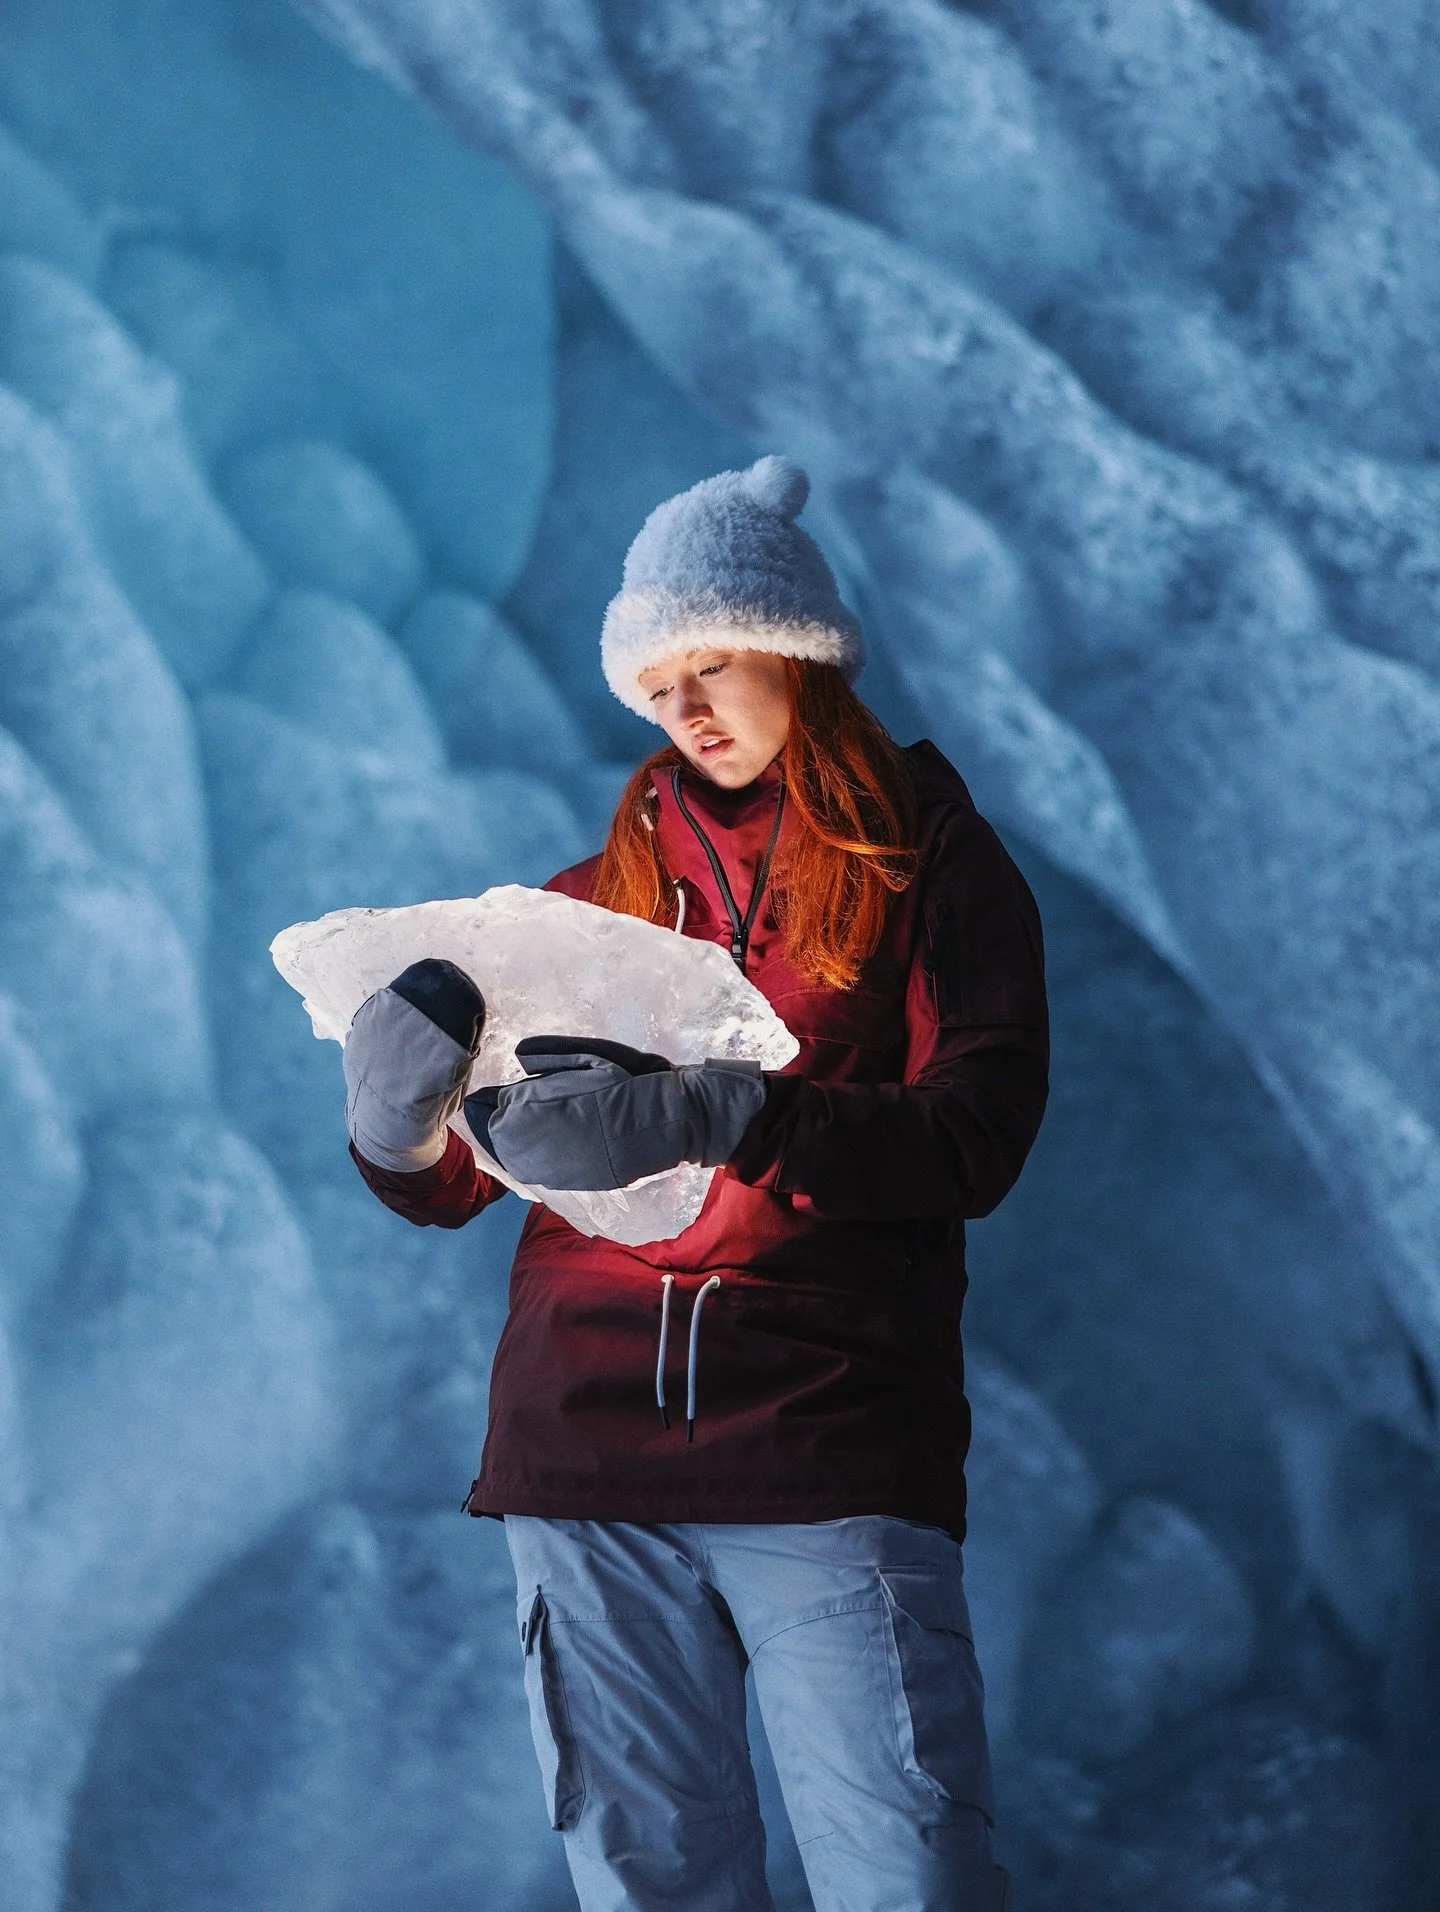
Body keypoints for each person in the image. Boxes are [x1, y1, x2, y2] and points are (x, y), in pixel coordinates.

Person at [343, 456, 1048, 1912]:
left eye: (710, 664)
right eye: (657, 686)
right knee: (649, 1886)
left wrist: (728, 1112)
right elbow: (459, 1186)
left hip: (827, 1446)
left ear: (797, 649)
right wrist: (394, 1132)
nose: (687, 709)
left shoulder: (933, 867)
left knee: (907, 1878)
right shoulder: (582, 907)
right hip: (582, 1459)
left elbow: (975, 1137)